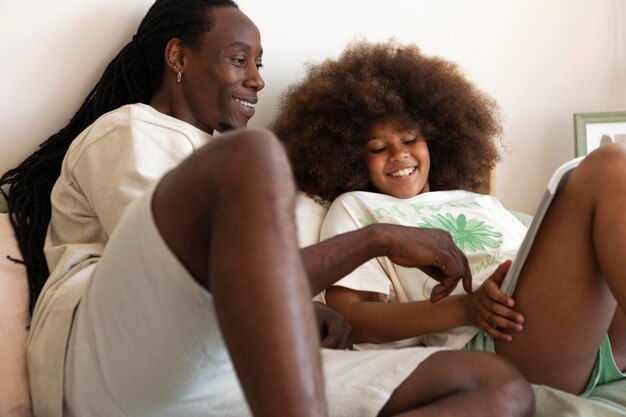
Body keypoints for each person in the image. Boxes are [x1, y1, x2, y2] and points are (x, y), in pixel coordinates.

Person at [0, 2, 534, 417]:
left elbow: (238, 278)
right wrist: (380, 238)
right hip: (115, 366)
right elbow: (189, 276)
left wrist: (303, 311)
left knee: (498, 389)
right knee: (253, 155)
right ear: (178, 57)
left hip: (225, 371)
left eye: (259, 63)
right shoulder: (128, 128)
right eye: (239, 60)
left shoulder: (213, 155)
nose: (256, 78)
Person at [270, 39, 626, 397]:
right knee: (608, 165)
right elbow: (352, 317)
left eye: (411, 139)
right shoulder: (355, 206)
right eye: (378, 149)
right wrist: (467, 309)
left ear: (436, 140)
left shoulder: (480, 202)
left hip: (597, 337)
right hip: (504, 341)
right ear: (346, 157)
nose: (399, 154)